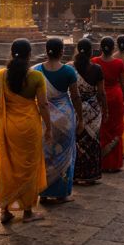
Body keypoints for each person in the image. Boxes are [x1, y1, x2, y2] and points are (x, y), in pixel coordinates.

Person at [0, 39, 51, 223]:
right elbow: (42, 105)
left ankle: (5, 210)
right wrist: (48, 126)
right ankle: (27, 211)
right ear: (29, 54)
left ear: (11, 52)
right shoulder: (36, 77)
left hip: (7, 126)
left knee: (7, 166)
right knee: (29, 167)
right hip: (29, 127)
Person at [34, 37, 83, 204]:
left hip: (44, 117)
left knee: (46, 154)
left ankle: (44, 192)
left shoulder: (36, 70)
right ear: (62, 51)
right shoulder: (69, 72)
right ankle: (62, 193)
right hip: (65, 118)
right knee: (65, 155)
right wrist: (81, 118)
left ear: (46, 50)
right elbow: (75, 97)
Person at [72, 38, 106, 184]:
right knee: (92, 141)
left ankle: (75, 173)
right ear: (91, 51)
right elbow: (101, 93)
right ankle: (89, 175)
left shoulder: (70, 68)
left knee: (77, 141)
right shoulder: (96, 69)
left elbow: (72, 92)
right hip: (93, 110)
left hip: (75, 108)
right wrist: (105, 109)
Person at [92, 37, 124, 172]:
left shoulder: (95, 62)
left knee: (103, 128)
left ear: (101, 48)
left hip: (100, 97)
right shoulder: (119, 63)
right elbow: (123, 84)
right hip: (116, 97)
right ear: (114, 48)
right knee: (116, 127)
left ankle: (103, 160)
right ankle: (114, 163)